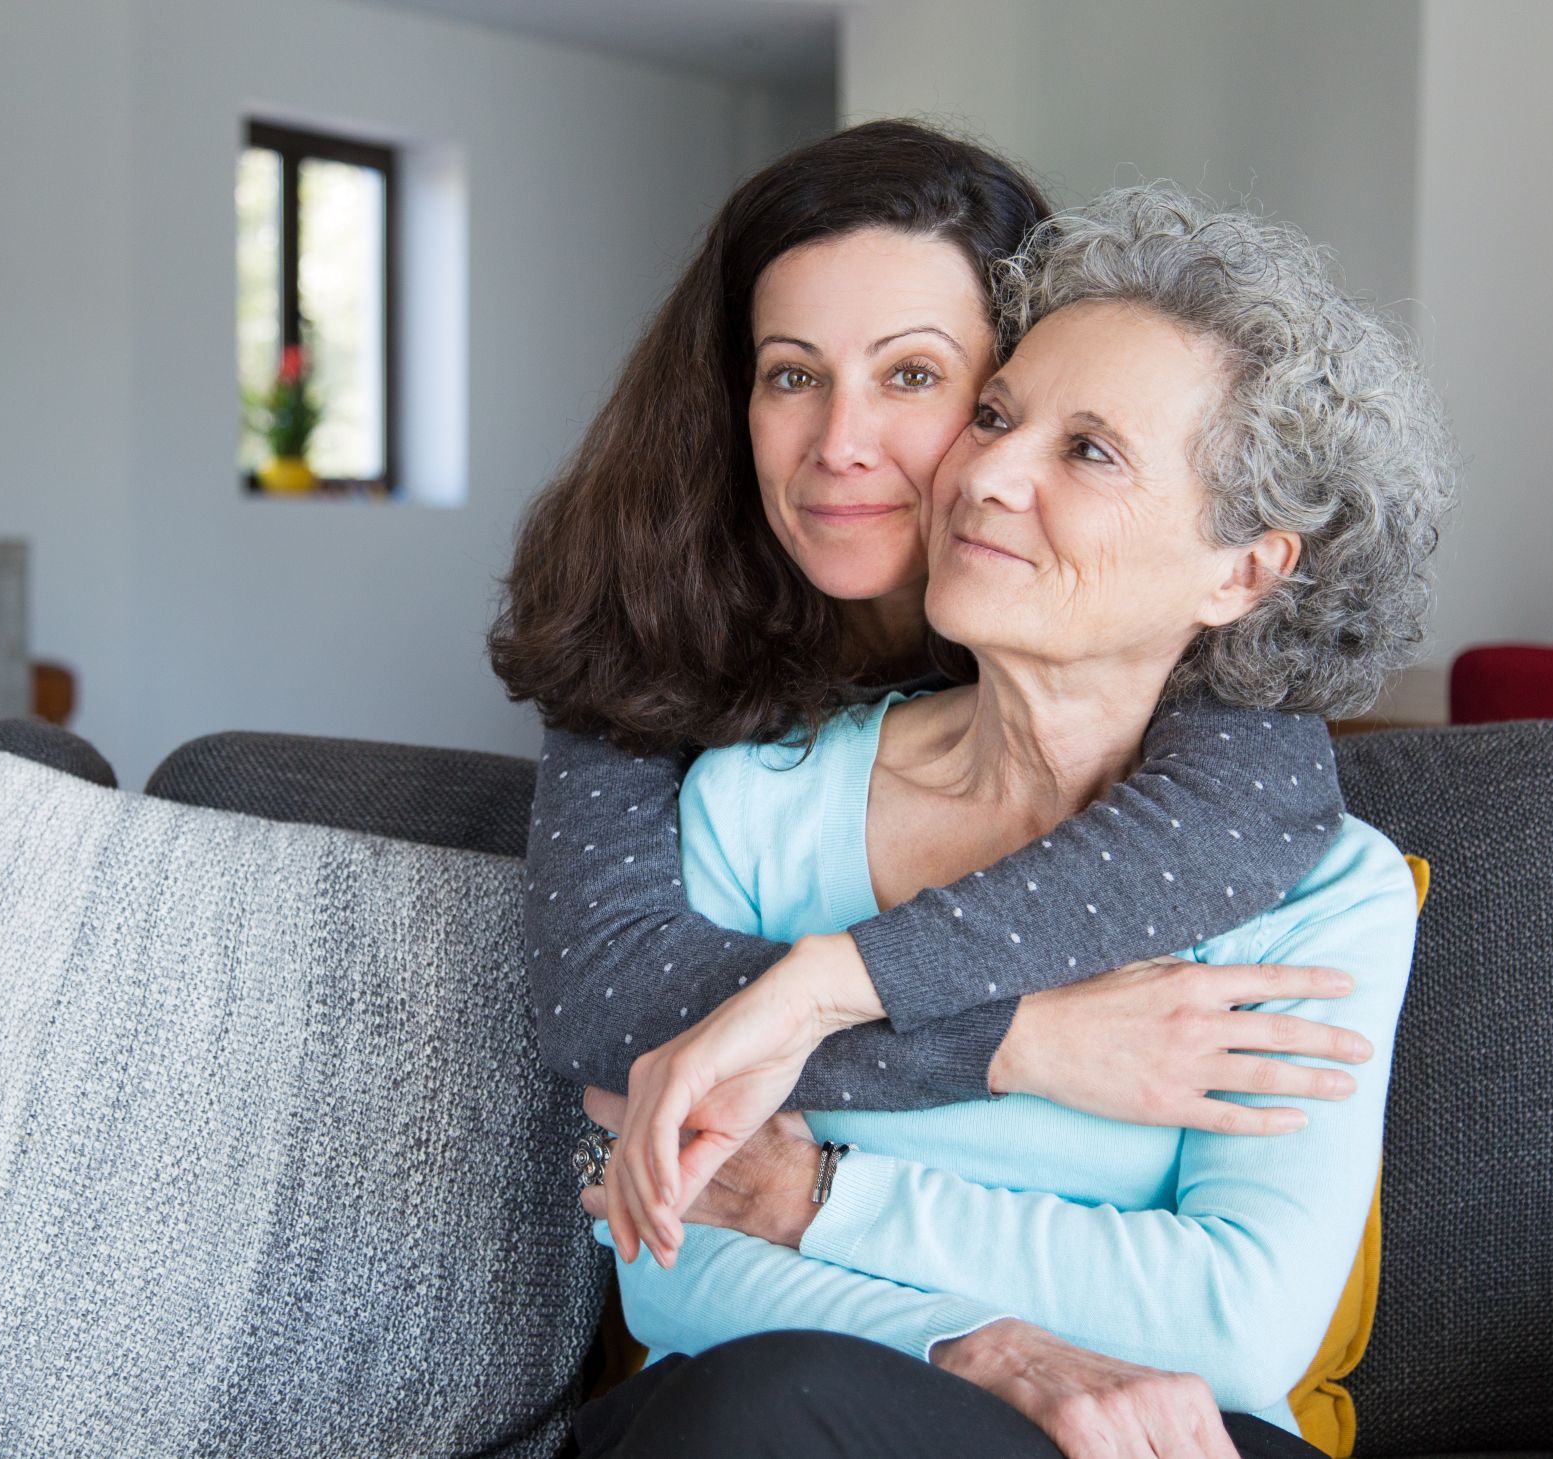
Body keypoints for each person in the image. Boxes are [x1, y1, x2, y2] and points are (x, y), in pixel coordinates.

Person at [573, 184, 1455, 1458]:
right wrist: (978, 1348)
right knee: (746, 1406)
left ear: (1242, 569)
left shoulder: (1320, 894)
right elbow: (667, 1261)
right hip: (788, 1420)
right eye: (994, 414)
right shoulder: (754, 807)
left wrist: (816, 1196)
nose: (982, 473)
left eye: (1086, 451)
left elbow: (1239, 1321)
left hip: (1155, 1441)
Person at [487, 120, 1373, 1250]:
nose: (837, 443)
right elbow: (599, 996)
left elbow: (1250, 809)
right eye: (790, 375)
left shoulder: (1118, 625)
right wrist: (1013, 1043)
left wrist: (826, 995)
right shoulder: (646, 625)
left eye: (912, 374)